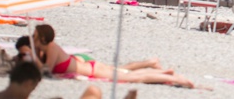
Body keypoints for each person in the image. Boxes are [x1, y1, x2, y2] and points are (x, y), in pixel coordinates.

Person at [32, 24, 192, 88]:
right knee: (129, 74)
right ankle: (164, 73)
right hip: (91, 68)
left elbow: (47, 70)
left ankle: (176, 79)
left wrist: (33, 56)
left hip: (92, 71)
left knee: (133, 78)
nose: (33, 37)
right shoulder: (45, 50)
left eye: (35, 35)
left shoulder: (51, 48)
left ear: (42, 37)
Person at [0, 62, 109, 99]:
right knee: (94, 93)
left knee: (93, 91)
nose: (31, 92)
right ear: (28, 83)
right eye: (33, 88)